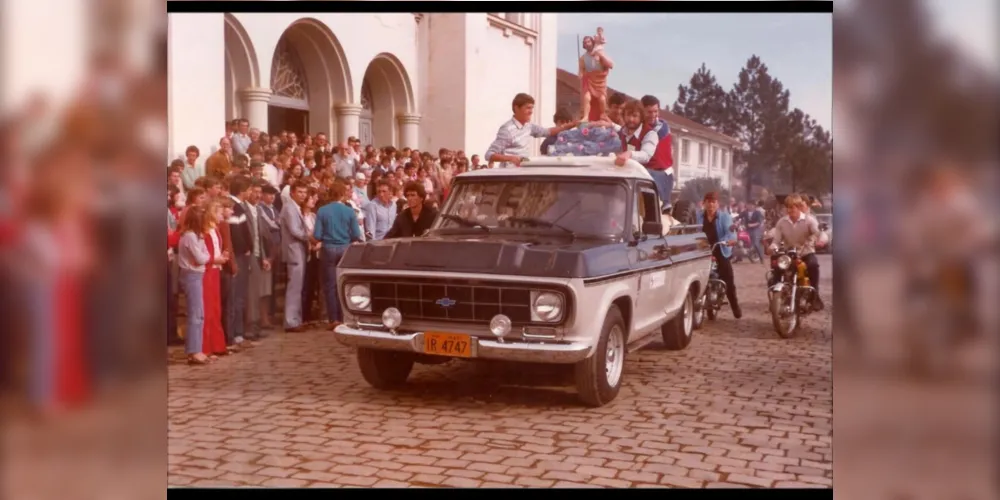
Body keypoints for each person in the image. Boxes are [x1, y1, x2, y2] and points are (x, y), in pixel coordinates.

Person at [484, 93, 580, 168]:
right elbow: (489, 155)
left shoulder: (529, 126)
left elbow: (548, 132)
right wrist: (511, 158)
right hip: (509, 176)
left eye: (532, 108)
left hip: (523, 173)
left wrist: (570, 126)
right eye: (528, 108)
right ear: (516, 108)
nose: (531, 112)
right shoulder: (507, 130)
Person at [314, 183, 363, 329]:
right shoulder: (349, 211)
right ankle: (345, 316)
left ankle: (333, 318)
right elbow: (356, 234)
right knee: (345, 283)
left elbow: (317, 235)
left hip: (328, 248)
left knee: (330, 285)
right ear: (342, 194)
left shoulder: (322, 211)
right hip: (345, 248)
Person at [765, 194, 823, 310]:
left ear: (799, 207)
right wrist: (772, 247)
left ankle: (814, 296)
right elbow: (776, 240)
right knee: (776, 268)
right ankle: (776, 298)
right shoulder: (782, 222)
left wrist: (821, 240)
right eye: (787, 207)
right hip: (789, 253)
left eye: (792, 207)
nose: (789, 210)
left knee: (813, 265)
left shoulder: (809, 220)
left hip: (806, 252)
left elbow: (819, 233)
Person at [176, 206, 212, 364]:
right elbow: (201, 258)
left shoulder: (199, 237)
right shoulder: (190, 236)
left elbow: (206, 255)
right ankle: (194, 350)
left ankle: (196, 348)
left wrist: (203, 256)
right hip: (191, 275)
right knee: (195, 314)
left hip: (198, 274)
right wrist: (202, 257)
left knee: (199, 313)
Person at [702, 192, 742, 318]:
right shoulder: (699, 216)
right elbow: (692, 229)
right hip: (702, 251)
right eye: (708, 202)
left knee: (728, 279)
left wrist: (729, 240)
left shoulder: (724, 217)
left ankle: (734, 305)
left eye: (713, 202)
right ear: (704, 203)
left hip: (720, 249)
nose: (711, 205)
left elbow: (731, 231)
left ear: (717, 204)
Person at [202, 198, 233, 359]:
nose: (222, 215)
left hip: (215, 270)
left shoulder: (216, 229)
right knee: (208, 310)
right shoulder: (205, 230)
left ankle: (217, 345)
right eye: (220, 212)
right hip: (207, 271)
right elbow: (204, 254)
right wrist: (216, 259)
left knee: (215, 309)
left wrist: (222, 256)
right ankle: (206, 347)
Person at [280, 181, 312, 332]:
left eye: (304, 192)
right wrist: (310, 237)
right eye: (299, 192)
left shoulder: (295, 207)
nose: (302, 195)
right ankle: (291, 321)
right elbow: (294, 230)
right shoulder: (289, 207)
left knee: (297, 286)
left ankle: (295, 319)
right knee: (294, 287)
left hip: (299, 250)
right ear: (292, 192)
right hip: (293, 250)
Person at [578, 30, 614, 121]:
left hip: (600, 81)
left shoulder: (600, 52)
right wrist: (581, 74)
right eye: (585, 42)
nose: (587, 44)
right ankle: (586, 116)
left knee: (602, 99)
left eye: (588, 41)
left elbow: (611, 65)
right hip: (590, 80)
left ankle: (603, 114)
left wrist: (601, 56)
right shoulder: (582, 58)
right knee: (587, 97)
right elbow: (581, 70)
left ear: (592, 42)